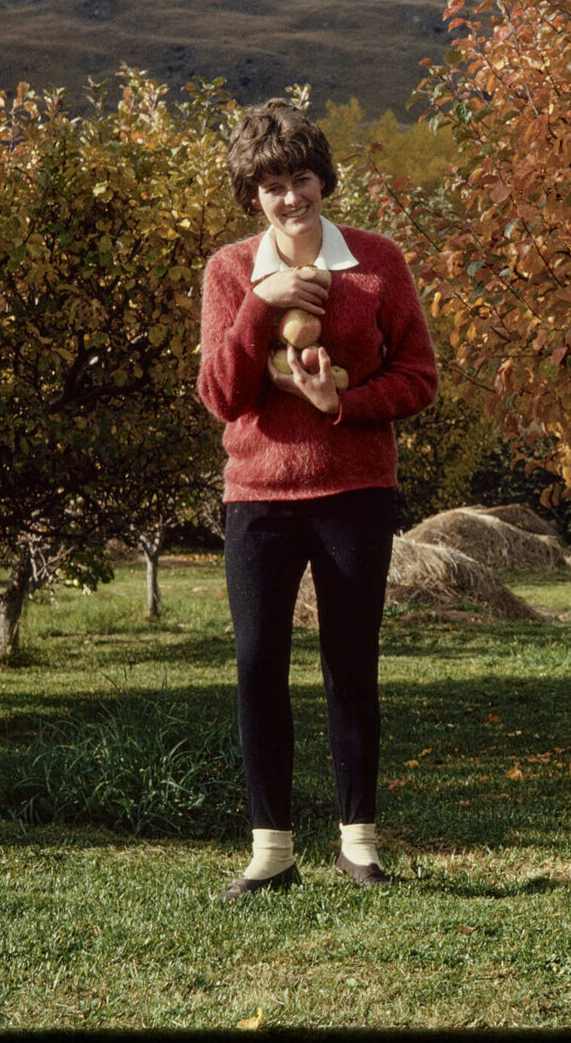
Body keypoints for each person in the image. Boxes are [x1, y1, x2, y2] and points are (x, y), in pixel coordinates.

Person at [196, 98, 437, 900]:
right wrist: (263, 306)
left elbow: (420, 379)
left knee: (350, 666)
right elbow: (224, 396)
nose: (290, 197)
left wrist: (345, 404)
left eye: (301, 178)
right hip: (258, 496)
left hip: (355, 491)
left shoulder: (377, 263)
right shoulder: (231, 272)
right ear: (251, 197)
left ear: (324, 179)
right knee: (258, 666)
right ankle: (271, 853)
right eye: (271, 186)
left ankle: (358, 845)